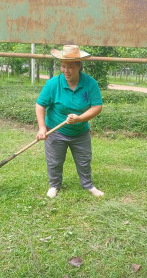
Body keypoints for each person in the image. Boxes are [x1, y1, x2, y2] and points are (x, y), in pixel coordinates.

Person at [35, 45, 104, 198]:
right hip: (56, 130)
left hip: (80, 131)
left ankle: (88, 185)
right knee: (55, 161)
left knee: (84, 160)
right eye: (63, 66)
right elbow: (40, 105)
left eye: (70, 67)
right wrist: (41, 128)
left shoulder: (90, 83)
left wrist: (79, 118)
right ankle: (54, 185)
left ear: (79, 66)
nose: (66, 70)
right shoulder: (53, 84)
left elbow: (97, 107)